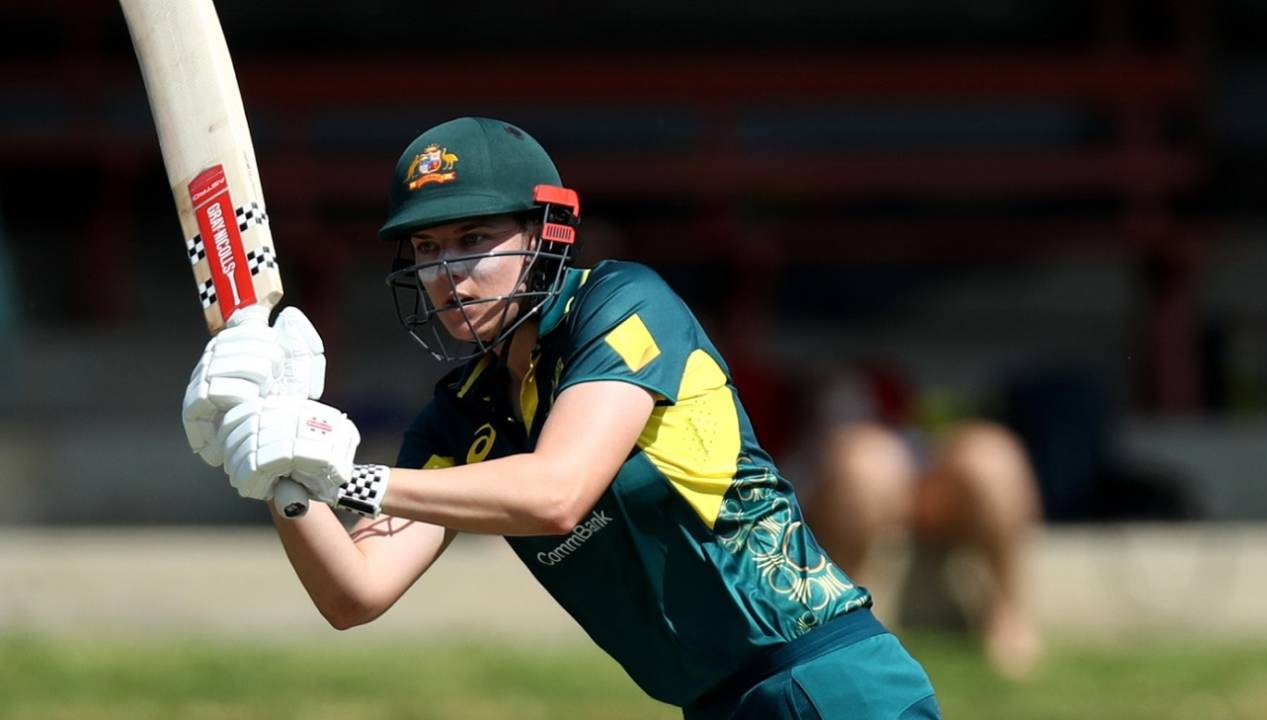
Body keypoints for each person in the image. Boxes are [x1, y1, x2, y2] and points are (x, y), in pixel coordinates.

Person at [181, 117, 941, 719]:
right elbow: (355, 592)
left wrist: (348, 474)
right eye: (427, 247)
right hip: (714, 706)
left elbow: (554, 495)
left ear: (546, 235)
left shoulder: (619, 304)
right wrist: (278, 464)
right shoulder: (461, 416)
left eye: (474, 240)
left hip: (830, 681)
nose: (447, 274)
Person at [792, 365, 1044, 679]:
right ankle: (849, 618)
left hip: (925, 461)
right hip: (842, 469)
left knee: (994, 457)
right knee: (865, 464)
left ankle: (1008, 613)